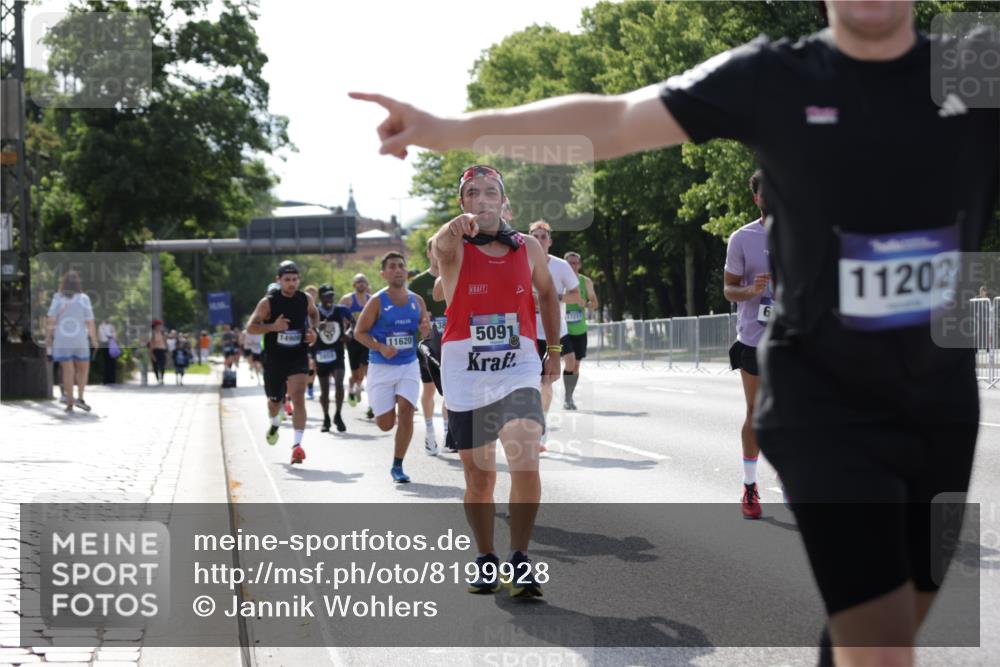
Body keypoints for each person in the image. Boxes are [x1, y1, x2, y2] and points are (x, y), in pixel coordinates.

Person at [352, 1, 999, 661]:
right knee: (882, 638)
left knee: (898, 617)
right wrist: (453, 128)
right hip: (822, 395)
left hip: (938, 401)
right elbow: (614, 118)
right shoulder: (778, 77)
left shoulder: (972, 64)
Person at [431, 164, 560, 597]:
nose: (481, 199)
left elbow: (548, 293)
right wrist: (451, 229)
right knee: (480, 480)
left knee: (525, 459)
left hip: (517, 368)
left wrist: (553, 349)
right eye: (472, 193)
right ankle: (486, 558)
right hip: (465, 373)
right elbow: (439, 246)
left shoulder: (528, 247)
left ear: (504, 202)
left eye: (490, 192)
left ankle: (520, 558)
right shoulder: (454, 246)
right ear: (462, 202)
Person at [354, 252, 430, 482]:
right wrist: (380, 347)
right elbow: (359, 332)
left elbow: (425, 332)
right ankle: (386, 406)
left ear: (406, 271)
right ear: (383, 274)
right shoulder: (377, 301)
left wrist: (425, 332)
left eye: (401, 266)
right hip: (381, 367)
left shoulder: (417, 301)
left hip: (409, 364)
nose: (398, 270)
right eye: (392, 266)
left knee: (406, 411)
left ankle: (398, 465)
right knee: (386, 425)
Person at [724, 170, 773, 521]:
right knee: (755, 411)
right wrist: (751, 290)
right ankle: (750, 485)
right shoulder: (742, 238)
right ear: (756, 198)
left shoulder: (802, 233)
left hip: (793, 338)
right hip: (754, 337)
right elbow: (728, 289)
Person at [246, 261, 319, 464]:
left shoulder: (304, 299)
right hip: (275, 359)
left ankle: (297, 445)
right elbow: (251, 328)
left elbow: (314, 314)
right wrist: (272, 327)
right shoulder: (268, 302)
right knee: (274, 403)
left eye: (295, 279)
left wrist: (314, 331)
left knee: (298, 397)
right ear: (279, 280)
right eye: (287, 280)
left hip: (298, 355)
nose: (291, 283)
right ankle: (275, 422)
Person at [528, 221, 580, 444]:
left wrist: (551, 297)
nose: (539, 240)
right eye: (535, 236)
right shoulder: (521, 263)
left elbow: (576, 296)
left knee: (547, 381)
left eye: (543, 237)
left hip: (555, 330)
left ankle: (542, 424)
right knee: (532, 383)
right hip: (529, 332)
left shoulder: (561, 266)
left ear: (549, 241)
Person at [408, 237, 450, 455]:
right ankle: (430, 431)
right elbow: (409, 313)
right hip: (428, 344)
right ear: (428, 253)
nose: (438, 253)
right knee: (430, 389)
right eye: (435, 250)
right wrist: (422, 318)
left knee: (450, 390)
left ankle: (448, 434)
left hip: (452, 342)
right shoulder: (418, 283)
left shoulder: (453, 275)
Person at [46, 270, 98, 413]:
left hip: (62, 340)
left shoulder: (57, 297)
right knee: (83, 369)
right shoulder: (84, 298)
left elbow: (51, 319)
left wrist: (48, 337)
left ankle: (69, 402)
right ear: (78, 283)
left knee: (68, 370)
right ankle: (80, 397)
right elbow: (90, 321)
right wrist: (94, 340)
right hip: (80, 339)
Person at [312, 284, 354, 433]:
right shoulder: (314, 311)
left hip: (337, 353)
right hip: (321, 353)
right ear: (320, 297)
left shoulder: (341, 310)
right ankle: (326, 418)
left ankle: (338, 415)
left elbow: (354, 322)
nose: (329, 299)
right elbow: (308, 327)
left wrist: (349, 333)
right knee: (324, 390)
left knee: (339, 384)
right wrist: (317, 326)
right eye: (326, 296)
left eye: (331, 296)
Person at [562, 251, 598, 410]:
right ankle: (567, 398)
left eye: (576, 263)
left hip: (580, 330)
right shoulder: (560, 281)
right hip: (563, 330)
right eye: (570, 263)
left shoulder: (586, 282)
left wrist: (586, 304)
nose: (573, 266)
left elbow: (595, 303)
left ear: (580, 265)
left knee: (576, 366)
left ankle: (569, 396)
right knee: (569, 361)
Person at [341, 273, 373, 416]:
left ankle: (371, 405)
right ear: (354, 285)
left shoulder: (372, 300)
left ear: (367, 284)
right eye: (358, 282)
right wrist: (342, 333)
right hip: (353, 341)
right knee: (356, 374)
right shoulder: (347, 300)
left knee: (368, 372)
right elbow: (339, 318)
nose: (361, 284)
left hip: (367, 339)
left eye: (363, 281)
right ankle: (352, 387)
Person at [304, 284, 320, 400]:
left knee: (314, 366)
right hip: (305, 341)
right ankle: (307, 387)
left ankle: (310, 387)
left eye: (313, 293)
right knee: (310, 364)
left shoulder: (319, 308)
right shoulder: (300, 307)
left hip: (318, 341)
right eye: (309, 293)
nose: (311, 295)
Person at [97, 317, 118, 385]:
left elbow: (99, 337)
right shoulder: (111, 326)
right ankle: (112, 379)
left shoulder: (100, 327)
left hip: (103, 345)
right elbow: (114, 337)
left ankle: (105, 380)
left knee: (105, 363)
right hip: (110, 344)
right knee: (112, 363)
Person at [149, 320, 168, 385]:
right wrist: (151, 354)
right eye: (158, 325)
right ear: (155, 326)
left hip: (162, 350)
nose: (160, 327)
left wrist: (166, 349)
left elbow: (165, 342)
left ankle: (162, 378)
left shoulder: (162, 333)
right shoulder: (152, 334)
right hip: (155, 351)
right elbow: (151, 344)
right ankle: (157, 379)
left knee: (162, 365)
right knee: (155, 366)